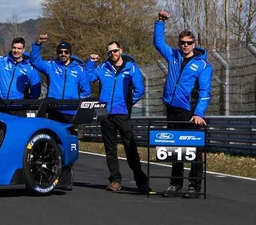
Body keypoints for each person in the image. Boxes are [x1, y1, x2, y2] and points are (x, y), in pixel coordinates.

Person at [154, 11, 213, 198]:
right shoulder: (173, 56)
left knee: (194, 150)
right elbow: (158, 43)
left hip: (190, 111)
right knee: (174, 148)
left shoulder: (203, 65)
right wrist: (160, 22)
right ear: (179, 43)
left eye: (188, 43)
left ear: (194, 44)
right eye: (182, 43)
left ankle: (194, 186)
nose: (185, 46)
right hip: (172, 109)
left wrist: (199, 114)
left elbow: (205, 92)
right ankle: (175, 184)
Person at [86, 42, 152, 194]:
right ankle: (115, 180)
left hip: (122, 113)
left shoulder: (132, 68)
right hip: (104, 112)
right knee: (110, 149)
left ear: (120, 51)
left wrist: (128, 103)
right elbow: (88, 77)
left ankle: (141, 182)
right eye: (109, 52)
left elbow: (139, 90)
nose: (113, 54)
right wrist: (91, 62)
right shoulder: (102, 68)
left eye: (115, 51)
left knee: (131, 148)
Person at [29, 33, 90, 120]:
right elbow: (35, 61)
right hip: (53, 110)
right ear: (57, 53)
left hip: (71, 111)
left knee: (70, 134)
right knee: (52, 133)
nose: (63, 54)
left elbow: (86, 91)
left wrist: (75, 102)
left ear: (70, 53)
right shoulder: (51, 66)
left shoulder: (80, 69)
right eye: (60, 52)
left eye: (66, 52)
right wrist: (38, 44)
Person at [0, 29, 42, 100]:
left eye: (19, 48)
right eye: (14, 48)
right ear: (11, 48)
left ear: (23, 49)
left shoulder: (30, 67)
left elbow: (36, 89)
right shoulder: (2, 61)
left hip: (19, 107)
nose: (16, 51)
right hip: (1, 105)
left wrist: (27, 103)